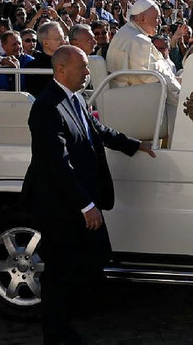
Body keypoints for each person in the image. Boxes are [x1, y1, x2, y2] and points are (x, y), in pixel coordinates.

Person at [23, 45, 155, 344]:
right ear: (61, 70)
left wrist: (133, 144)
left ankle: (74, 317)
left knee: (87, 262)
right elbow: (58, 164)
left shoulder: (75, 98)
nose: (87, 72)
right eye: (82, 67)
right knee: (59, 271)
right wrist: (86, 205)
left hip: (76, 199)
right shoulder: (47, 107)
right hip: (59, 205)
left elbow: (97, 130)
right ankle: (56, 333)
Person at [106, 0, 181, 109]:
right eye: (156, 18)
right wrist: (180, 93)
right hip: (136, 102)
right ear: (142, 18)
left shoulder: (125, 32)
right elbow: (151, 77)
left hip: (122, 95)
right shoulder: (138, 39)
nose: (159, 22)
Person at [24, 22, 67, 96]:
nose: (63, 42)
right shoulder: (33, 68)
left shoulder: (70, 62)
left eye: (63, 38)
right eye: (58, 39)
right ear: (46, 43)